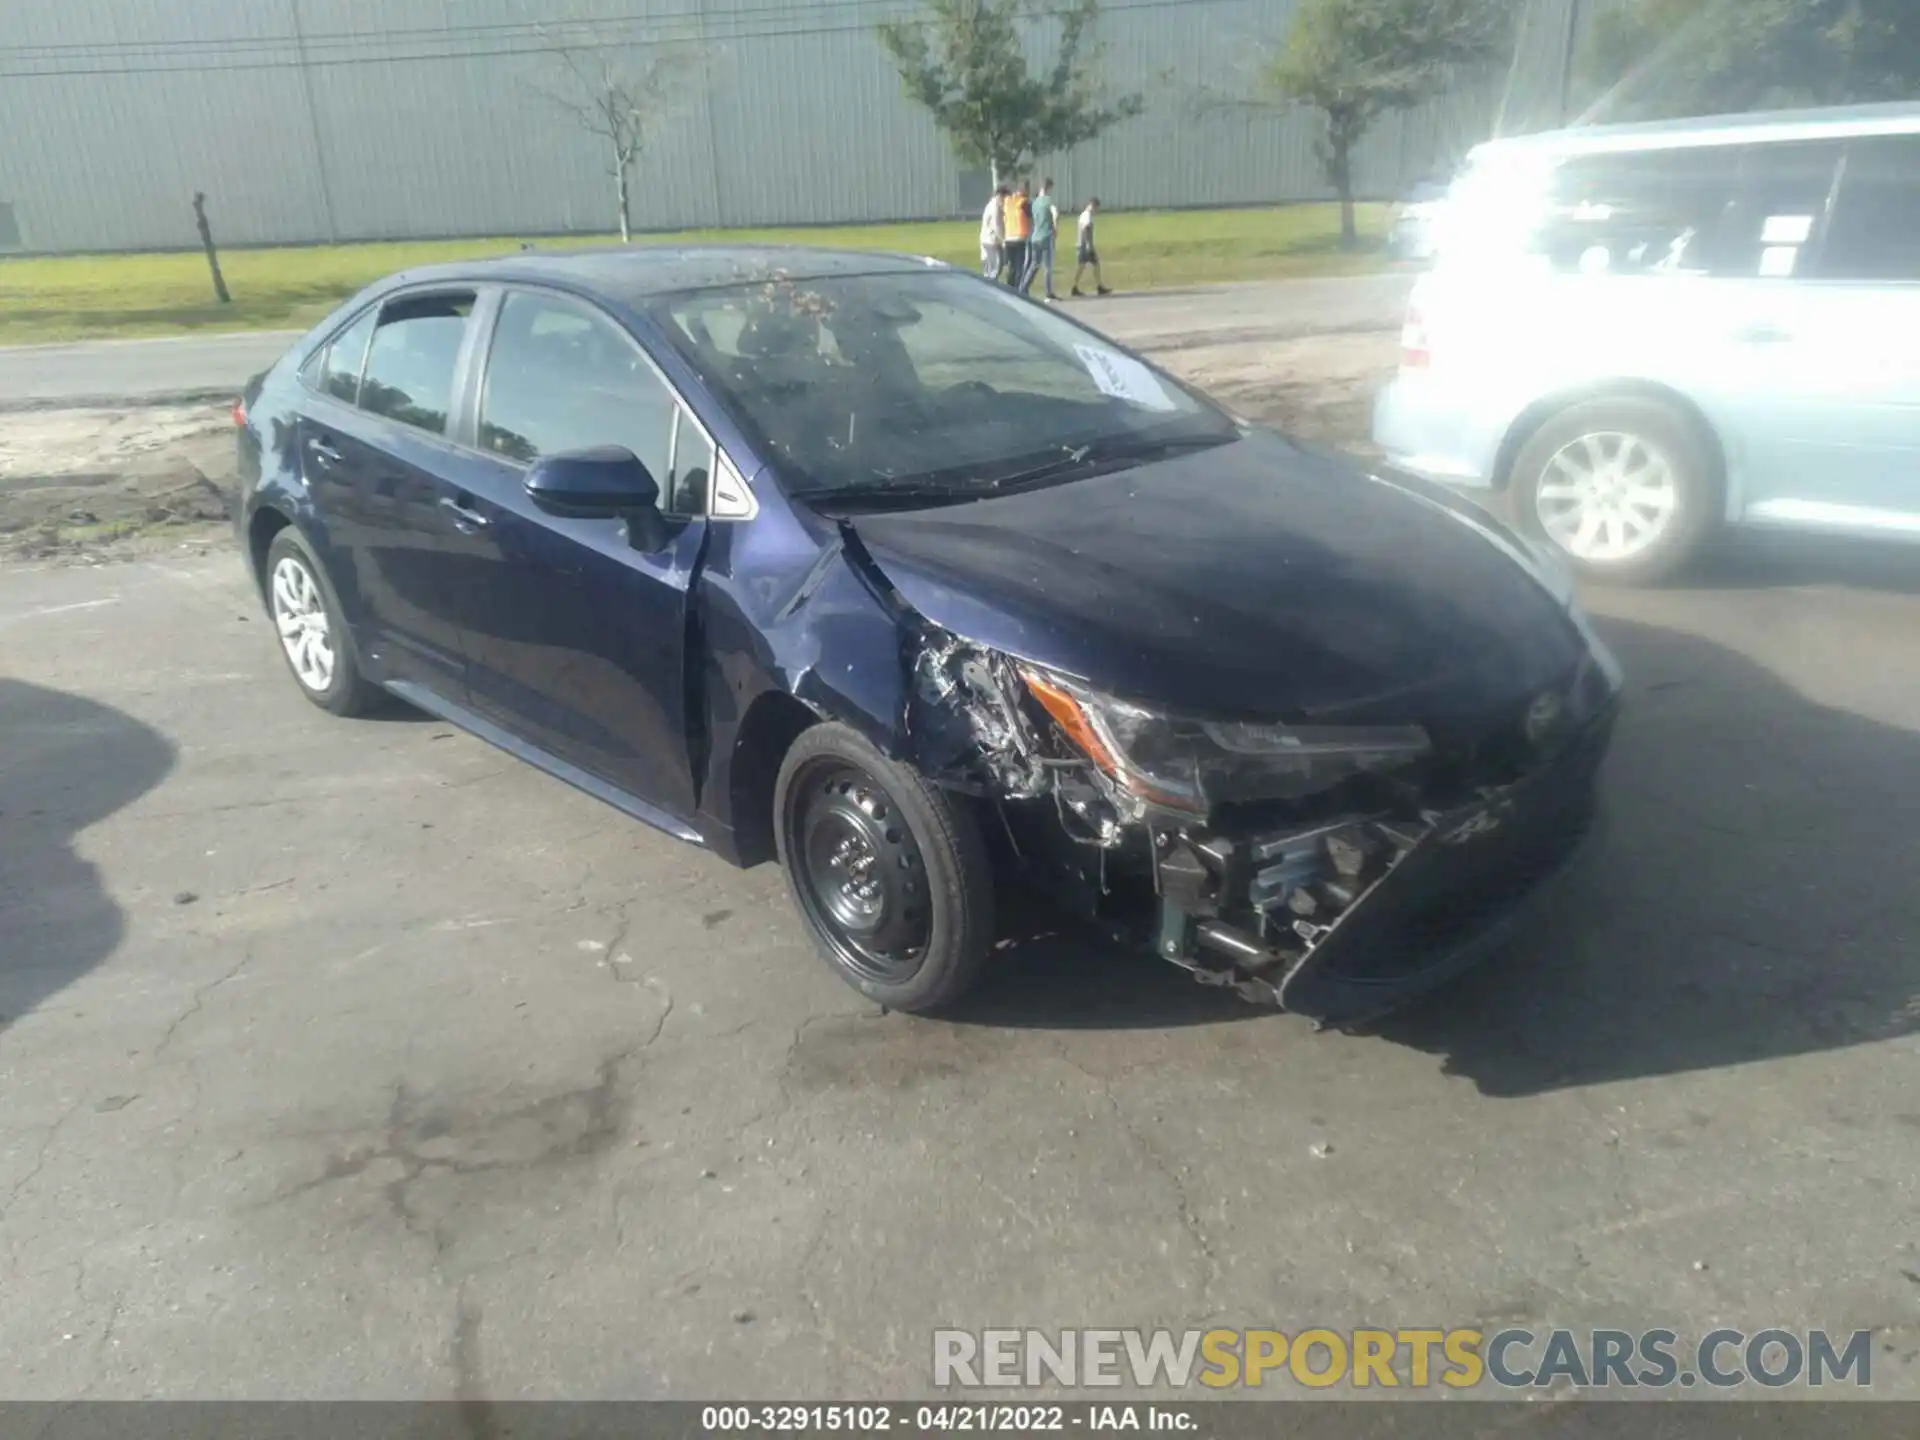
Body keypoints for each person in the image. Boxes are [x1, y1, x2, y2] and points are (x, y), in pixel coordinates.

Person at [1070, 197, 1112, 297]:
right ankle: (1074, 287)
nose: (1096, 211)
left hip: (1084, 245)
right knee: (1082, 266)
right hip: (1084, 246)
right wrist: (1088, 245)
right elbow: (1085, 230)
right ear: (1093, 206)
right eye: (1096, 208)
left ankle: (1099, 286)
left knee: (1094, 264)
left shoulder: (1085, 215)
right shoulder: (1086, 216)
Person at [1026, 177, 1060, 299]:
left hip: (1035, 236)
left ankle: (1024, 287)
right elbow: (1055, 213)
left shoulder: (1035, 203)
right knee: (1048, 266)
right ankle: (1048, 292)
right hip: (1046, 235)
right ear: (1049, 188)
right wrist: (1056, 228)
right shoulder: (1048, 201)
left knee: (1034, 264)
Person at [1002, 179, 1031, 291]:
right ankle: (1019, 290)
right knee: (1020, 267)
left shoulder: (1008, 200)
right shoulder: (1024, 202)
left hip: (1009, 237)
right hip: (1020, 237)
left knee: (1012, 266)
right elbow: (1030, 219)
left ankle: (1009, 288)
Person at [979, 185, 1007, 281]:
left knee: (993, 267)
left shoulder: (993, 205)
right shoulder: (994, 207)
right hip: (991, 241)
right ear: (1000, 195)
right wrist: (1003, 241)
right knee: (994, 268)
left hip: (989, 239)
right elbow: (996, 226)